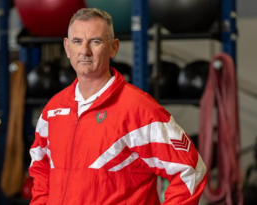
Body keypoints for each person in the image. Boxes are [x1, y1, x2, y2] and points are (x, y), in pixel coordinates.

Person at [28, 8, 207, 205]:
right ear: (67, 47)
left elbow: (190, 170)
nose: (85, 51)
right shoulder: (53, 110)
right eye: (77, 41)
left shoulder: (139, 109)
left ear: (113, 48)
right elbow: (40, 169)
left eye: (95, 41)